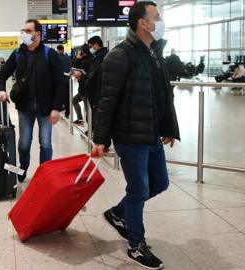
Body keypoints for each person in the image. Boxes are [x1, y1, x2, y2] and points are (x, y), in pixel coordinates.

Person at [92, 2, 180, 269]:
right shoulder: (121, 55)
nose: (161, 21)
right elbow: (106, 101)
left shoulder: (153, 53)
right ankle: (136, 245)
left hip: (151, 132)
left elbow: (162, 95)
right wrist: (100, 139)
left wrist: (168, 128)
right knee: (139, 188)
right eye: (157, 17)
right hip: (129, 134)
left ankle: (118, 213)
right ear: (143, 23)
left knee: (160, 183)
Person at [0, 19, 63, 182]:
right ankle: (23, 167)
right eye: (23, 30)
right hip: (25, 107)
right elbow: (1, 75)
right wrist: (1, 90)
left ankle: (44, 176)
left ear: (38, 34)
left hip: (45, 108)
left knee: (45, 143)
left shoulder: (49, 54)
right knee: (24, 143)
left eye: (28, 31)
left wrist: (56, 108)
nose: (24, 34)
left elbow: (59, 83)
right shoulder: (18, 54)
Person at [71, 44, 93, 126]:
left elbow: (74, 67)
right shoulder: (87, 58)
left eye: (80, 51)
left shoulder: (86, 61)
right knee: (74, 100)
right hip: (83, 88)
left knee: (88, 109)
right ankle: (80, 120)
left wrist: (78, 58)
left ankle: (91, 129)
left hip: (86, 89)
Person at [56, 45, 72, 118]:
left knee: (59, 95)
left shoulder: (57, 58)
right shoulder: (68, 57)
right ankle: (67, 112)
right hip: (68, 79)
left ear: (58, 50)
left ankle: (60, 109)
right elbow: (70, 68)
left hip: (60, 80)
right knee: (67, 96)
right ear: (63, 49)